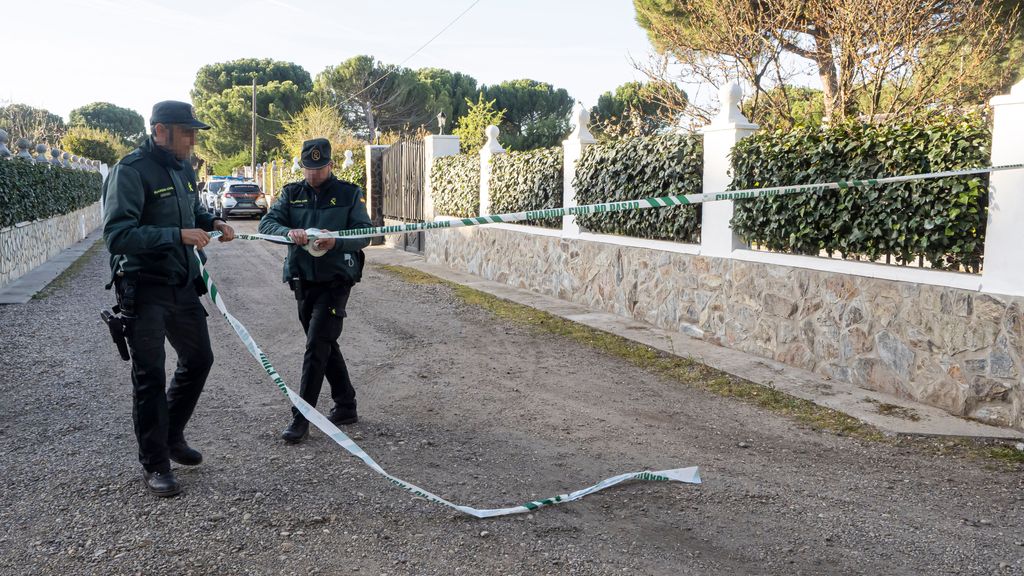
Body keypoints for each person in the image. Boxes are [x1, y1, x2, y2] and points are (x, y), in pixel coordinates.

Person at [102, 100, 235, 497]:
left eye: (194, 132)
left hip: (181, 282)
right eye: (186, 132)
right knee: (150, 377)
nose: (193, 139)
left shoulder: (183, 168)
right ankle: (156, 464)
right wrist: (176, 235)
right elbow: (117, 236)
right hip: (143, 287)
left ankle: (172, 434)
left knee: (199, 359)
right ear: (160, 130)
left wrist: (211, 222)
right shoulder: (131, 171)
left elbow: (192, 210)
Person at [258, 138, 371, 443]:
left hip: (336, 280)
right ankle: (345, 404)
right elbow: (267, 225)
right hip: (303, 279)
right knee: (323, 342)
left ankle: (301, 417)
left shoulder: (349, 193)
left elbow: (366, 234)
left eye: (319, 169)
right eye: (309, 169)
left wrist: (336, 240)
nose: (313, 174)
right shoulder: (291, 193)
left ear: (330, 165)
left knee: (316, 345)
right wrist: (287, 233)